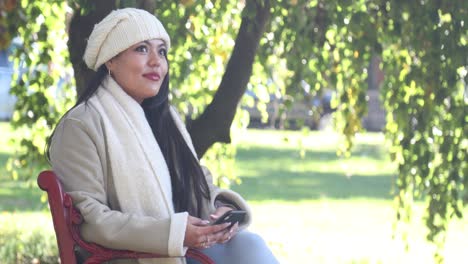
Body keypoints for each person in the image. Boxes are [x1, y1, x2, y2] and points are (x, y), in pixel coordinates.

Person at [47, 8, 279, 264]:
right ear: (110, 60)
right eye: (142, 49)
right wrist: (174, 233)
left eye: (162, 51)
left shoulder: (165, 119)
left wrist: (220, 211)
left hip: (181, 252)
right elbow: (91, 222)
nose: (156, 61)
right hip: (127, 258)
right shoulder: (81, 125)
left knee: (248, 244)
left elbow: (196, 182)